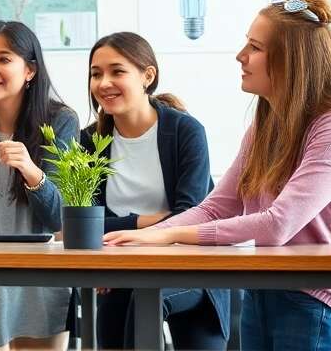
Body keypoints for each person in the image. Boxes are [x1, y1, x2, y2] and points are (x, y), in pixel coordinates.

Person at [106, 0, 331, 351]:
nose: (241, 56)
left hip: (319, 304)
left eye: (254, 47)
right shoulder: (265, 127)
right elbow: (215, 207)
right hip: (263, 291)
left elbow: (277, 225)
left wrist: (163, 235)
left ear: (291, 60)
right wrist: (151, 233)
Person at [83, 32, 228, 349]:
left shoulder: (185, 131)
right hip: (120, 271)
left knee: (146, 298)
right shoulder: (89, 141)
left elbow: (188, 217)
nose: (104, 82)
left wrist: (120, 228)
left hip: (191, 271)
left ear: (147, 76)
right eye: (96, 74)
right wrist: (145, 221)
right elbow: (83, 224)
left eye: (117, 71)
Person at [0, 20, 77, 351]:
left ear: (30, 70)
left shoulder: (60, 121)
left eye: (4, 59)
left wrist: (31, 171)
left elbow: (61, 217)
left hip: (41, 276)